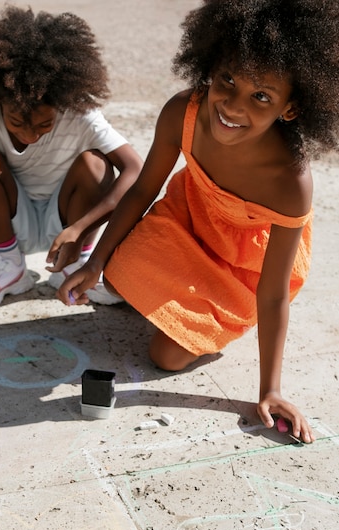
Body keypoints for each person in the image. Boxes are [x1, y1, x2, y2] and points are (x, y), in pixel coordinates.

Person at [53, 0, 339, 444]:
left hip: (244, 263)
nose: (232, 104)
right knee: (116, 269)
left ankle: (213, 319)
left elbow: (273, 290)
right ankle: (163, 291)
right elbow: (144, 189)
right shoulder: (184, 111)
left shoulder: (290, 181)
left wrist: (271, 390)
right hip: (189, 218)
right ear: (210, 65)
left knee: (165, 356)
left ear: (291, 108)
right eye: (227, 79)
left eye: (261, 96)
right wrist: (94, 263)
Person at [0, 3, 142, 309]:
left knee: (97, 165)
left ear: (61, 104)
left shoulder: (80, 116)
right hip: (12, 220)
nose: (28, 133)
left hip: (69, 224)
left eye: (43, 123)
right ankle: (8, 265)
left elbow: (135, 170)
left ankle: (76, 266)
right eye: (16, 122)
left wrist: (79, 231)